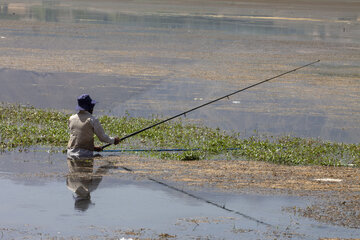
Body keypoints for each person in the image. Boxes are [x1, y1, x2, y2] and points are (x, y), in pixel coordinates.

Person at [67, 94, 120, 159]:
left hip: (70, 154)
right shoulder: (92, 120)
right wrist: (114, 140)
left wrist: (93, 148)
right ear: (90, 107)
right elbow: (102, 138)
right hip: (84, 155)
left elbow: (79, 138)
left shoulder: (71, 118)